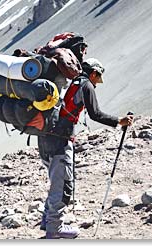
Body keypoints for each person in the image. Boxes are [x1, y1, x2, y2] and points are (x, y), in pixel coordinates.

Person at [37, 58, 134, 239]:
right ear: (93, 72)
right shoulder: (85, 85)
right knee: (63, 184)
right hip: (60, 139)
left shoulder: (67, 82)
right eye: (98, 77)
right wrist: (118, 121)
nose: (97, 82)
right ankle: (54, 229)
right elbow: (95, 114)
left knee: (56, 179)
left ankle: (47, 220)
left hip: (43, 136)